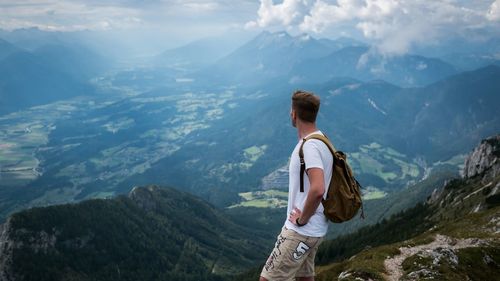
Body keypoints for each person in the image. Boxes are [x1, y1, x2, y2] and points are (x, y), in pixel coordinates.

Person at [260, 90, 333, 281]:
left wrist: (301, 220)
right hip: (316, 229)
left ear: (294, 113)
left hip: (301, 231)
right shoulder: (321, 139)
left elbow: (317, 189)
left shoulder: (309, 147)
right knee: (304, 278)